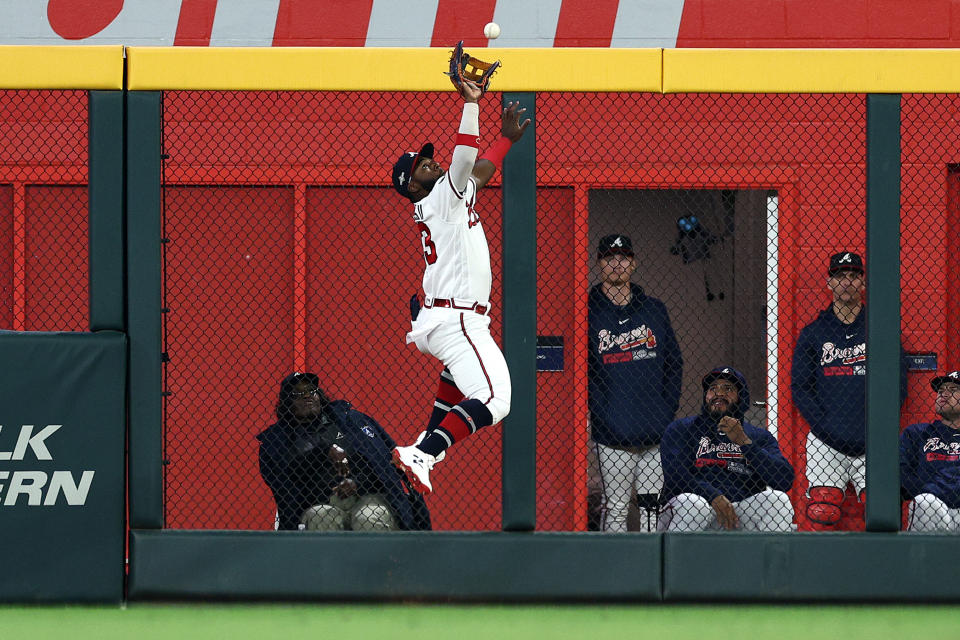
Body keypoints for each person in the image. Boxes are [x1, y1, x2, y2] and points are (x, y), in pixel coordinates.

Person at [388, 75, 531, 494]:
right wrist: (472, 104)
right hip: (458, 318)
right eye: (422, 165)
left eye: (430, 159)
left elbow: (479, 174)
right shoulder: (437, 198)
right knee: (495, 400)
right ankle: (425, 451)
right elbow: (467, 159)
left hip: (444, 315)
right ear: (412, 185)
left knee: (460, 377)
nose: (431, 162)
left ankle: (425, 441)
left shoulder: (445, 197)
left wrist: (505, 141)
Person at [791, 251, 907, 531]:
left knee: (884, 511)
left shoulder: (881, 329)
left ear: (863, 283)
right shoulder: (813, 333)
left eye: (854, 276)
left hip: (875, 440)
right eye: (840, 276)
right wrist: (827, 426)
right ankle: (822, 572)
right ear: (829, 283)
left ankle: (884, 571)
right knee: (822, 510)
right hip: (826, 441)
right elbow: (801, 387)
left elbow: (898, 384)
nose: (847, 282)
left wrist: (877, 425)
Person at [588, 233, 683, 532]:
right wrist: (603, 414)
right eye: (609, 258)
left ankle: (649, 575)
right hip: (612, 432)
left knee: (651, 509)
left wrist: (665, 412)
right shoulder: (587, 311)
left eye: (624, 257)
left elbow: (674, 363)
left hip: (654, 432)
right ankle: (612, 575)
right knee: (615, 508)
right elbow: (585, 371)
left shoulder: (654, 309)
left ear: (634, 263)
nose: (617, 264)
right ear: (599, 263)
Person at [257, 372, 431, 531]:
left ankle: (380, 566)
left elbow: (382, 462)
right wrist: (324, 450)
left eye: (312, 390)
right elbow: (288, 471)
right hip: (321, 501)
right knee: (321, 518)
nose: (308, 396)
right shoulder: (280, 439)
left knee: (369, 517)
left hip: (367, 495)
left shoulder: (349, 421)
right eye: (298, 394)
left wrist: (357, 483)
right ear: (287, 402)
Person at [658, 366, 795, 531]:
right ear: (705, 396)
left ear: (740, 397)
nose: (719, 393)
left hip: (737, 513)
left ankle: (775, 557)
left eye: (728, 388)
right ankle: (676, 557)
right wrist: (713, 496)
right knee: (694, 504)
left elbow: (784, 480)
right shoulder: (682, 428)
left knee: (778, 500)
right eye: (713, 388)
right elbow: (675, 477)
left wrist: (745, 443)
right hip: (693, 508)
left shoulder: (758, 436)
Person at [900, 370, 960, 532]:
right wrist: (931, 490)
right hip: (934, 507)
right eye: (941, 391)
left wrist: (934, 483)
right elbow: (900, 475)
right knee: (925, 501)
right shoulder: (917, 433)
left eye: (953, 390)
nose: (944, 394)